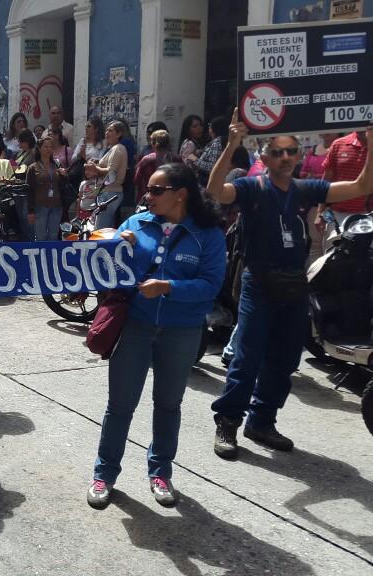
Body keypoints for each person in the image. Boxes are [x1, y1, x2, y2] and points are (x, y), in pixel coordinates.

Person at [206, 111, 373, 458]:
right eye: (278, 152)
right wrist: (232, 143)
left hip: (295, 284)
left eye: (291, 151)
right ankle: (228, 421)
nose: (285, 157)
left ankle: (262, 421)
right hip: (259, 282)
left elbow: (361, 187)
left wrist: (371, 144)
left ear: (299, 157)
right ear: (265, 157)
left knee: (284, 359)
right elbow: (214, 191)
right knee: (247, 357)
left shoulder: (304, 189)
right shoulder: (252, 187)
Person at [87, 162, 226, 510]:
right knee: (119, 406)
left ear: (180, 195)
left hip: (182, 331)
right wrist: (122, 247)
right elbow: (114, 275)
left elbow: (211, 286)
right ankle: (104, 474)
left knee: (168, 405)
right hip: (135, 326)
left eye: (155, 190)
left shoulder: (207, 233)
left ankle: (160, 472)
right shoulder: (135, 224)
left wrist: (169, 287)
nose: (146, 196)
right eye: (147, 189)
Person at [316, 130, 369, 251]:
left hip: (369, 215)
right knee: (333, 260)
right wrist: (319, 212)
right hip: (338, 215)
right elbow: (326, 180)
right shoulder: (339, 144)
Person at [83, 121, 128, 229]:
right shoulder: (112, 149)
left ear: (119, 134)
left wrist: (95, 168)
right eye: (106, 130)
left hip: (110, 193)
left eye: (111, 130)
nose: (107, 133)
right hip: (106, 192)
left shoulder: (118, 148)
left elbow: (111, 172)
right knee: (106, 228)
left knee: (100, 229)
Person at [27, 135, 67, 242]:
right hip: (40, 206)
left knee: (53, 236)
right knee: (41, 237)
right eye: (45, 147)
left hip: (56, 205)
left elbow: (62, 186)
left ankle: (51, 258)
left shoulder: (57, 165)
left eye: (51, 147)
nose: (49, 149)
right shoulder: (33, 167)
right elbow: (29, 190)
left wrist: (63, 176)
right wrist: (30, 211)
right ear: (39, 149)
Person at [133, 130, 183, 203]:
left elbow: (136, 180)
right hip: (170, 198)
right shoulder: (177, 158)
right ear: (168, 143)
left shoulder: (146, 160)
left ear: (152, 144)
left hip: (148, 198)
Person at [193, 116, 229, 184]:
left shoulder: (217, 144)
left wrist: (194, 159)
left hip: (208, 181)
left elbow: (211, 167)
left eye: (210, 126)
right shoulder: (224, 141)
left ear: (214, 129)